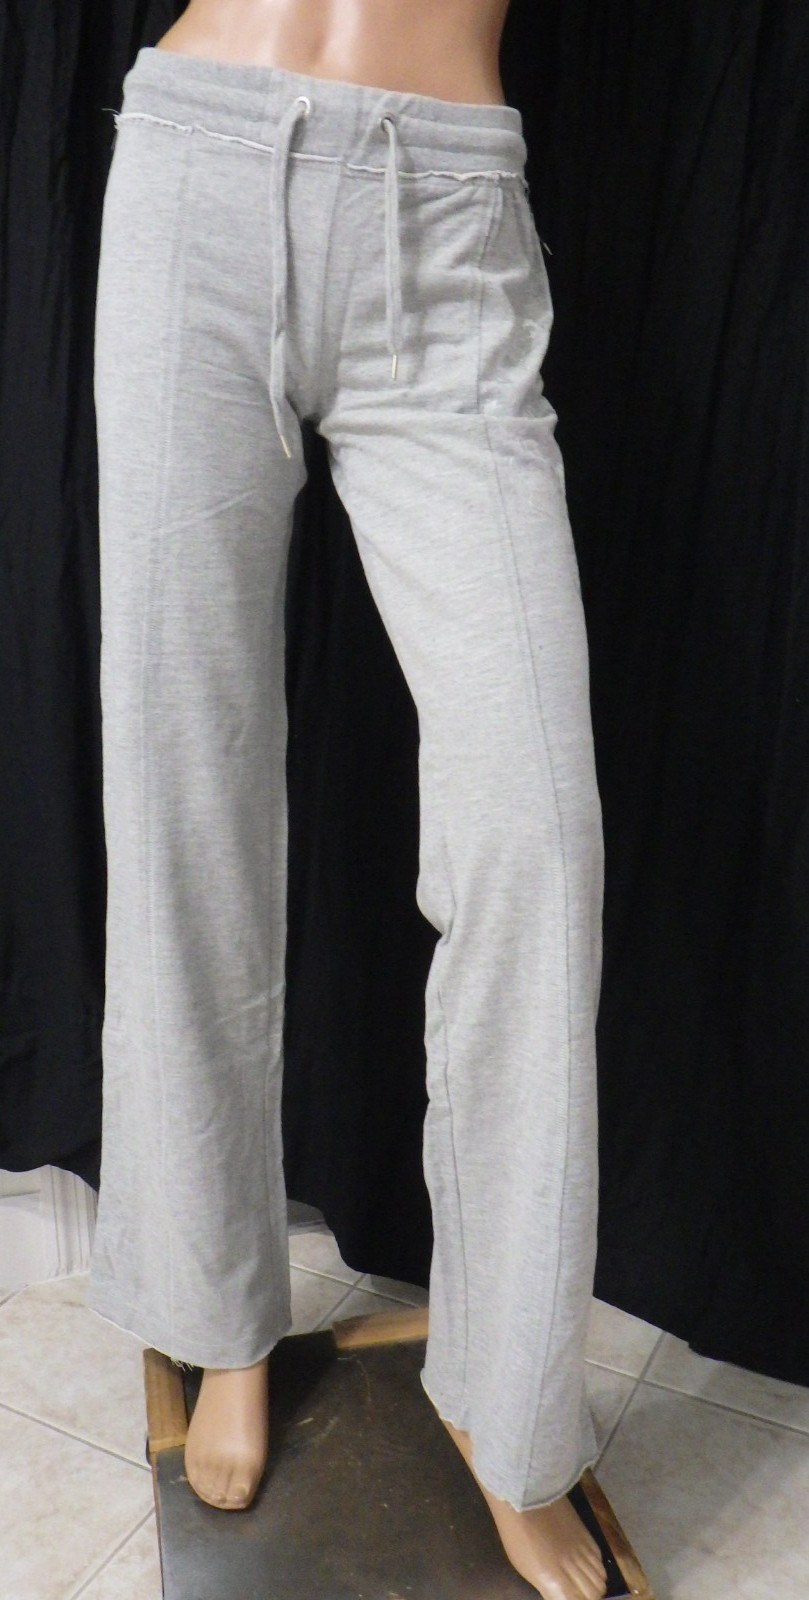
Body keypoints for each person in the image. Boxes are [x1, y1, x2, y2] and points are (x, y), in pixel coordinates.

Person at [89, 4, 610, 1597]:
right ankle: (219, 1319)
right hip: (196, 166)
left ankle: (509, 1412)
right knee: (184, 797)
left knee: (535, 842)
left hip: (444, 215)